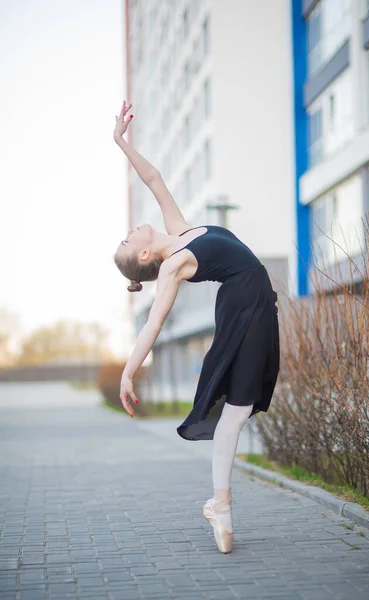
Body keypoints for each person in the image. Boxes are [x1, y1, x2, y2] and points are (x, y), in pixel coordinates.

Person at [113, 101, 280, 554]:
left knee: (240, 410)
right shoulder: (172, 266)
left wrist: (121, 142)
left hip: (259, 303)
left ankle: (220, 509)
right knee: (236, 410)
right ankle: (221, 505)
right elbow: (154, 323)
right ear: (145, 257)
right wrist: (129, 371)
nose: (131, 230)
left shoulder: (179, 231)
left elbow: (154, 180)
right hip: (243, 308)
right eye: (129, 241)